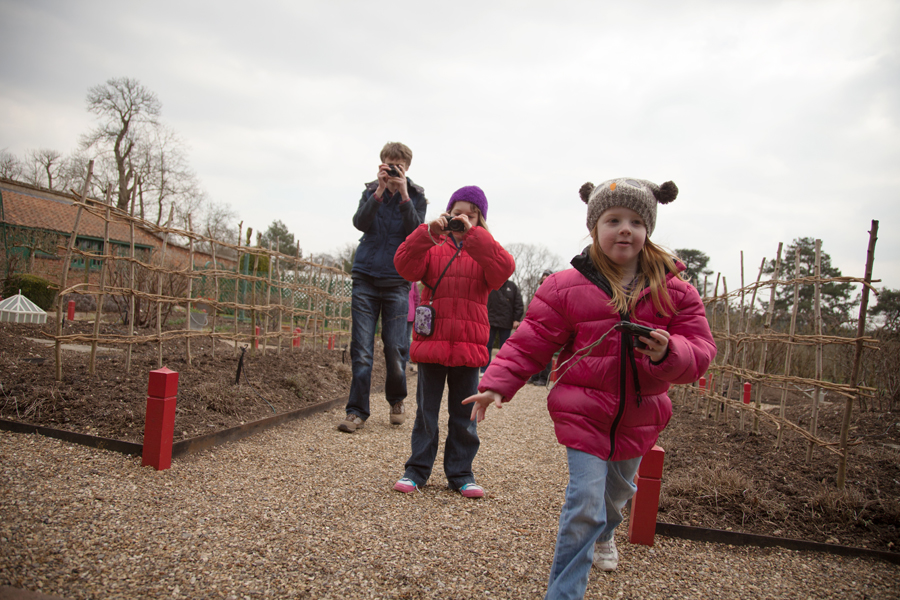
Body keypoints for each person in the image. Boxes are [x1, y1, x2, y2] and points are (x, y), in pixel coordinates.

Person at [463, 177, 716, 598]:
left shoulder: (676, 292)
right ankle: (565, 591)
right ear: (594, 227)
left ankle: (606, 532)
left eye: (636, 221)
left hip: (640, 416)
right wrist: (497, 385)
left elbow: (701, 350)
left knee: (615, 497)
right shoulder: (565, 286)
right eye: (613, 219)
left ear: (647, 229)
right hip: (584, 413)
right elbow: (532, 339)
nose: (625, 229)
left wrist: (669, 352)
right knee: (584, 502)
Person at [392, 185, 515, 498]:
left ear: (480, 219)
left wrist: (474, 236)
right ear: (446, 213)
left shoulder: (485, 250)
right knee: (426, 414)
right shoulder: (433, 245)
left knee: (465, 417)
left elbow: (503, 270)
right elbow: (404, 264)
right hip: (432, 341)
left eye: (471, 214)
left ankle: (461, 473)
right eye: (456, 212)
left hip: (469, 345)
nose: (462, 218)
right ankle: (416, 471)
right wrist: (426, 233)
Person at [338, 142, 427, 433]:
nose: (392, 167)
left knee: (395, 348)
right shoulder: (369, 191)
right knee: (361, 349)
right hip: (365, 276)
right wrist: (378, 191)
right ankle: (356, 411)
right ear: (381, 164)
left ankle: (396, 399)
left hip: (397, 281)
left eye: (398, 164)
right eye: (388, 162)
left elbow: (416, 233)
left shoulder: (416, 196)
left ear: (407, 167)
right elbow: (359, 223)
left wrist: (402, 193)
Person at [481, 279, 524, 375]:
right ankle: (484, 369)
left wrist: (516, 319)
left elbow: (518, 304)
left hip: (506, 322)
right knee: (487, 346)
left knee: (505, 348)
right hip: (490, 320)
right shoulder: (491, 284)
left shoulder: (512, 286)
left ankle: (502, 370)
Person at [527, 269, 555, 385]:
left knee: (546, 352)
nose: (544, 279)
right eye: (543, 277)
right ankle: (534, 376)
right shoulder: (538, 291)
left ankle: (544, 378)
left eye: (547, 277)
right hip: (537, 323)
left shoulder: (554, 291)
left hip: (549, 324)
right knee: (535, 351)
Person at [404, 282, 422, 373]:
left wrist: (416, 313)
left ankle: (406, 361)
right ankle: (399, 361)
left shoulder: (413, 282)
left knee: (407, 339)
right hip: (398, 314)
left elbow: (417, 298)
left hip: (410, 315)